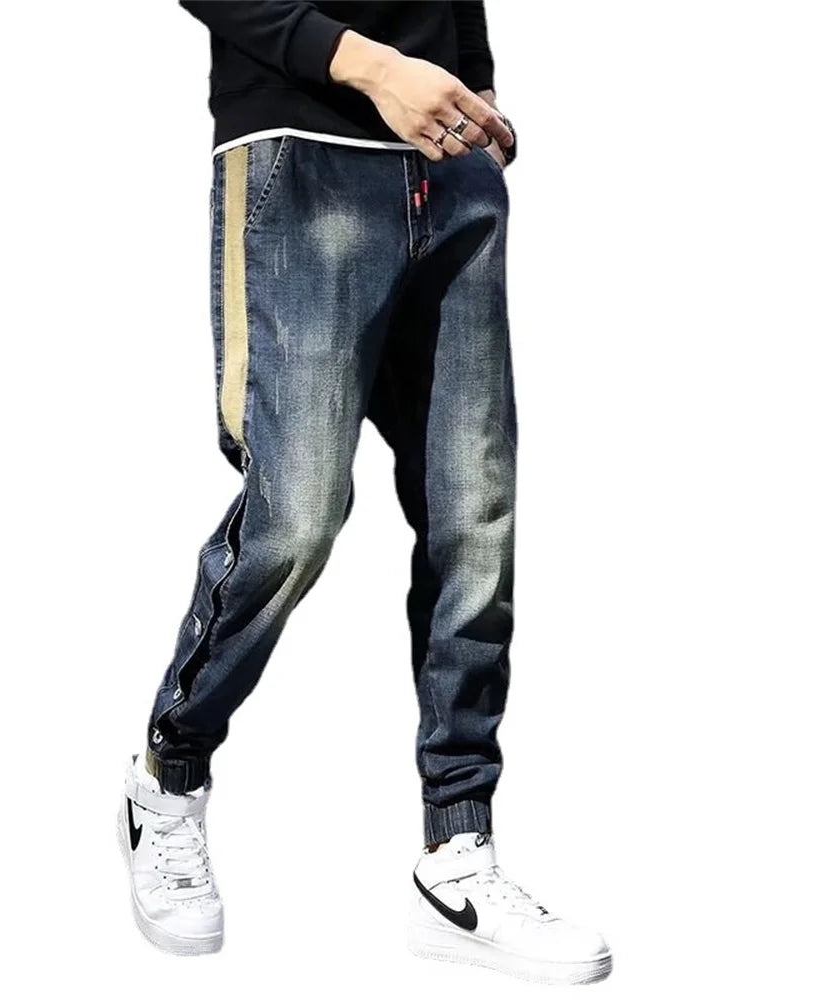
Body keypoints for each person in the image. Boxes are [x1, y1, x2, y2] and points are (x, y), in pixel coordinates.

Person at [118, 1, 611, 984]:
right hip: (303, 156)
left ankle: (457, 853)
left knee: (474, 518)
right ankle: (167, 775)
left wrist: (476, 82)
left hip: (450, 162)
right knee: (297, 515)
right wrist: (374, 68)